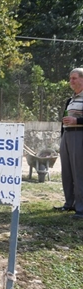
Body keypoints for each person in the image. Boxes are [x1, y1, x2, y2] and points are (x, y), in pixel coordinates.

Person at [54, 67, 83, 220]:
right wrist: (62, 136)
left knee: (79, 172)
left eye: (75, 78)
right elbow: (65, 119)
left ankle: (81, 208)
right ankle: (69, 203)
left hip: (79, 136)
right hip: (67, 136)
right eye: (70, 78)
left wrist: (77, 120)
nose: (71, 81)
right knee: (67, 171)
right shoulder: (70, 100)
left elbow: (75, 119)